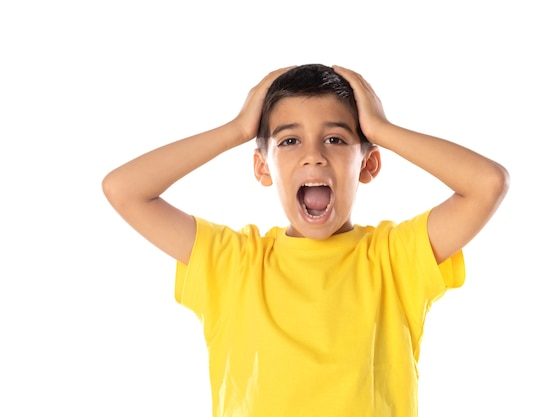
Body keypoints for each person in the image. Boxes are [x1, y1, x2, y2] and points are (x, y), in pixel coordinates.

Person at [102, 63, 509, 416]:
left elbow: (487, 184)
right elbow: (123, 189)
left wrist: (382, 129)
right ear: (263, 168)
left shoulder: (393, 259)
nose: (313, 155)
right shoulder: (235, 263)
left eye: (335, 139)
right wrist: (237, 129)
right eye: (289, 141)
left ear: (369, 163)